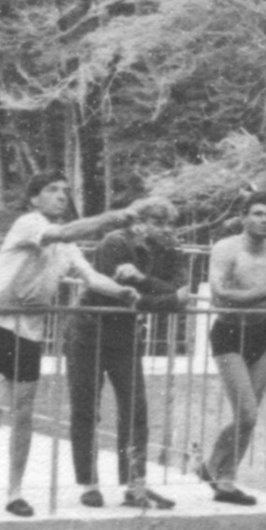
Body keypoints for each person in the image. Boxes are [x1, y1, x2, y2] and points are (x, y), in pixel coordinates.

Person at [0, 175, 157, 517]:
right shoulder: (29, 224)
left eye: (65, 191)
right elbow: (63, 232)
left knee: (24, 414)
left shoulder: (67, 245)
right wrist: (116, 216)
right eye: (52, 190)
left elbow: (91, 276)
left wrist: (121, 291)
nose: (61, 196)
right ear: (34, 199)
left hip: (28, 334)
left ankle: (15, 492)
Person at [64, 197, 187, 511]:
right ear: (139, 222)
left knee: (135, 410)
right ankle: (89, 483)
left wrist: (144, 280)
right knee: (86, 407)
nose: (166, 229)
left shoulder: (171, 250)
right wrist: (162, 295)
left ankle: (135, 484)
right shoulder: (114, 242)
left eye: (169, 223)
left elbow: (178, 295)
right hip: (90, 329)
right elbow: (123, 295)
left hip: (126, 335)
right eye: (158, 222)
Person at [200, 192, 266, 506]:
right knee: (247, 412)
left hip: (261, 335)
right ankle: (218, 471)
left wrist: (246, 299)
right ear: (243, 217)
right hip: (229, 335)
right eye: (257, 213)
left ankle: (220, 475)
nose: (264, 220)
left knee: (250, 418)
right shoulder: (225, 248)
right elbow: (219, 297)